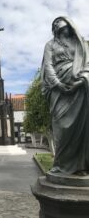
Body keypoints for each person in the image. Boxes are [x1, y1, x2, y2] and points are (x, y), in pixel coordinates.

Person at [41, 16, 89, 174]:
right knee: (61, 128)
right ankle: (60, 165)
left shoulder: (81, 43)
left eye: (59, 22)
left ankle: (79, 166)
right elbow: (48, 66)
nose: (56, 25)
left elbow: (87, 63)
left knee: (79, 128)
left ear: (69, 25)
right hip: (59, 91)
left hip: (79, 89)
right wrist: (57, 84)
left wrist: (82, 80)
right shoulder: (50, 45)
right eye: (54, 24)